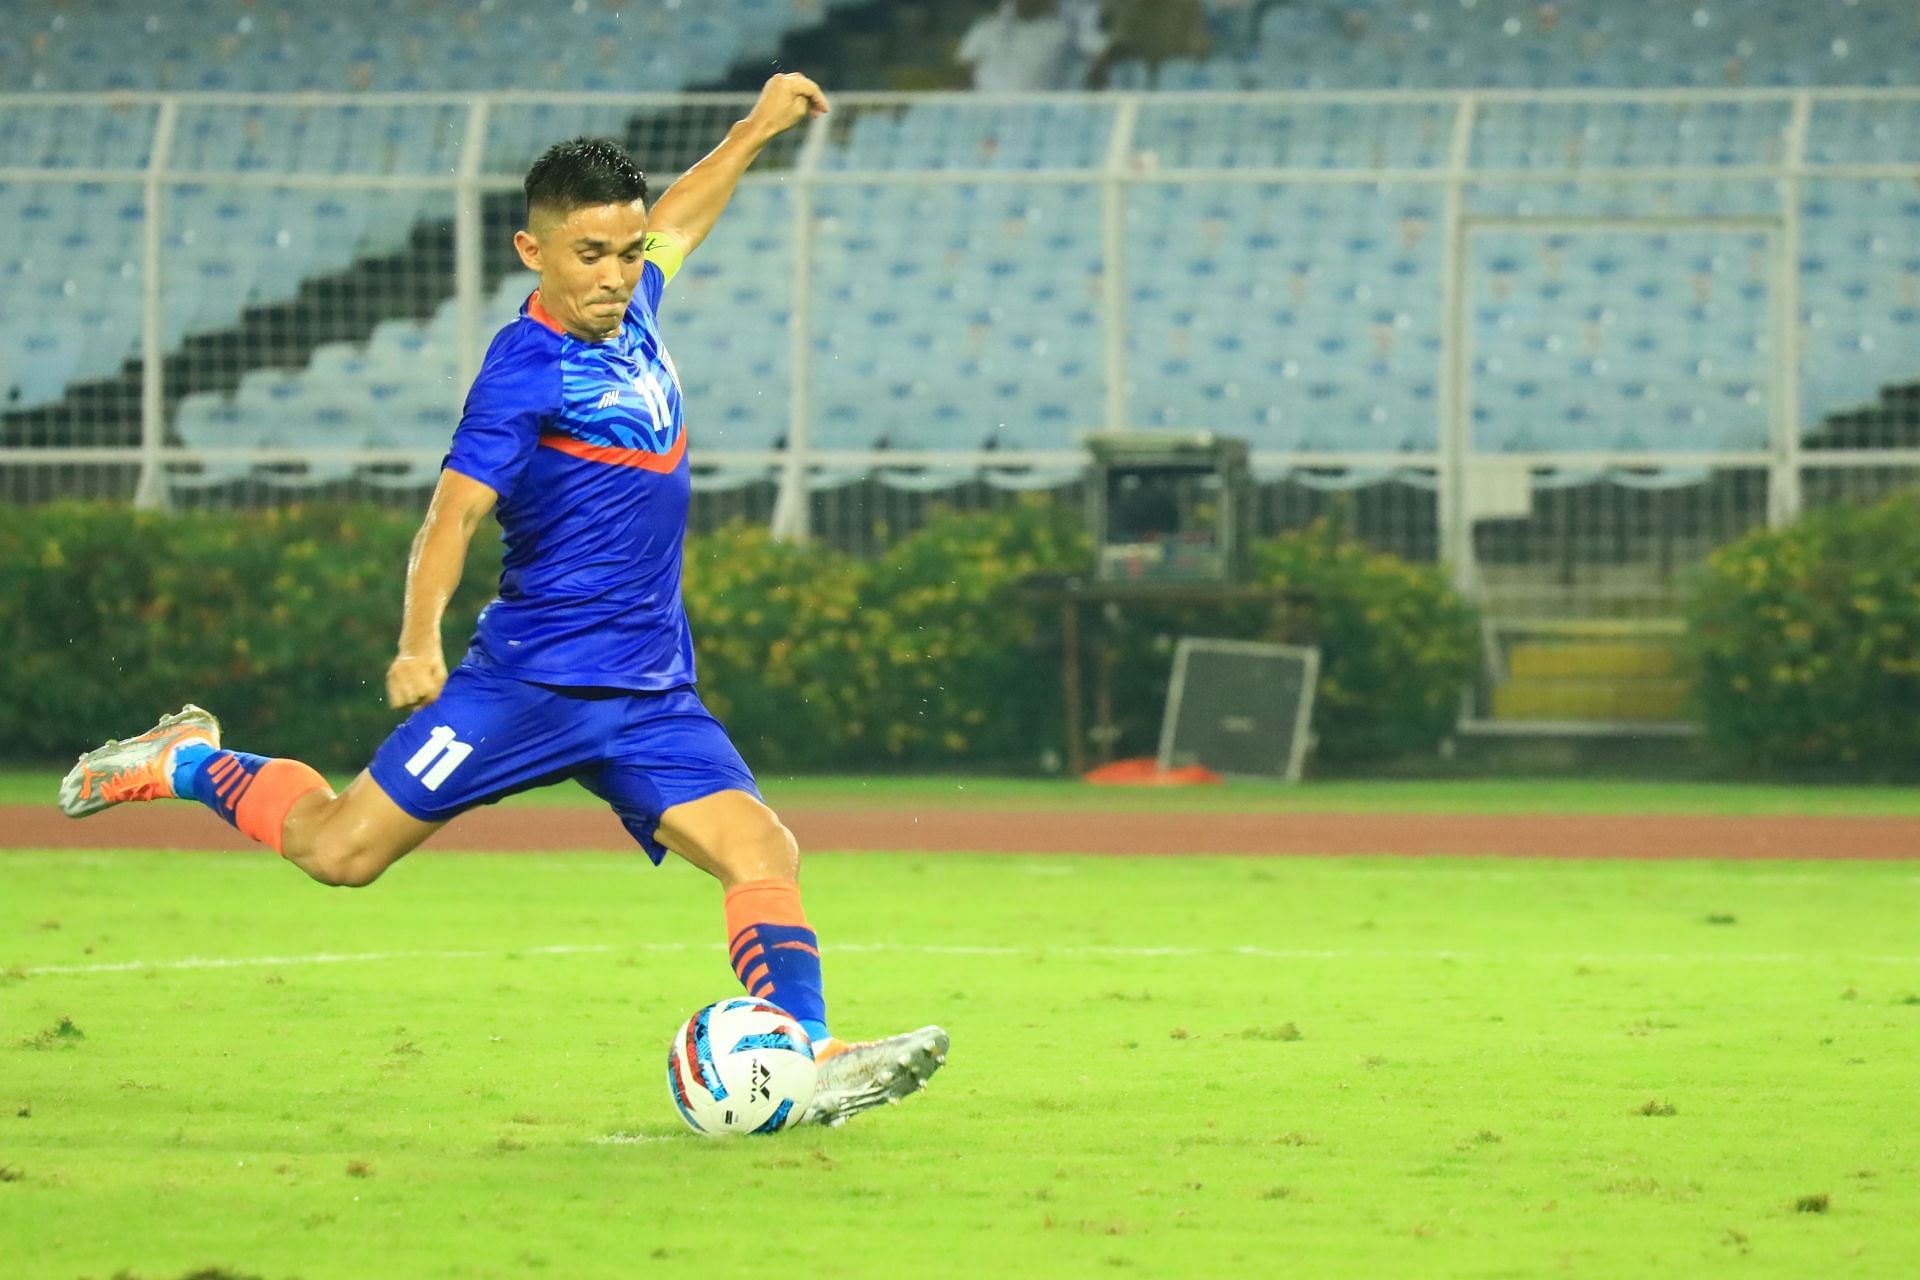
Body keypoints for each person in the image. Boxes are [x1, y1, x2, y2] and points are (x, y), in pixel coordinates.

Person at [58, 73, 946, 1128]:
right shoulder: (525, 371)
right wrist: (417, 639)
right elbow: (452, 516)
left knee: (762, 849)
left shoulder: (635, 304)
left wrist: (755, 129)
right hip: (523, 687)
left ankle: (809, 1052)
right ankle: (184, 758)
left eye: (626, 251)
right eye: (592, 255)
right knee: (338, 851)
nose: (618, 273)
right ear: (535, 253)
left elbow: (682, 222)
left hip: (649, 693)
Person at [956, 0, 1102, 92]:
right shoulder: (986, 27)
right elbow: (962, 69)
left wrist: (1099, 72)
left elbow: (1104, 49)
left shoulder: (1062, 30)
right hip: (986, 109)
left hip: (1037, 112)